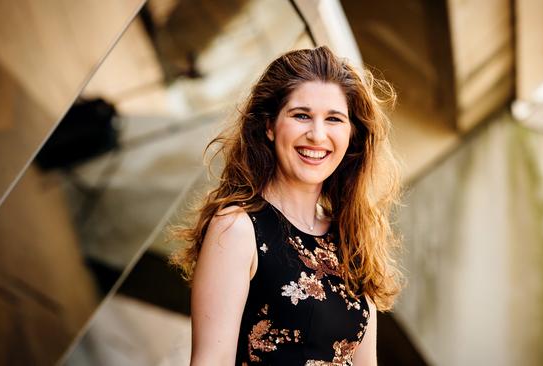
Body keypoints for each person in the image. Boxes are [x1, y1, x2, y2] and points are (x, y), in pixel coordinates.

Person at [171, 46, 402, 365]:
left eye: (334, 118)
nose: (317, 135)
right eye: (301, 115)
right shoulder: (237, 229)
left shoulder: (351, 237)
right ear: (269, 125)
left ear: (351, 134)